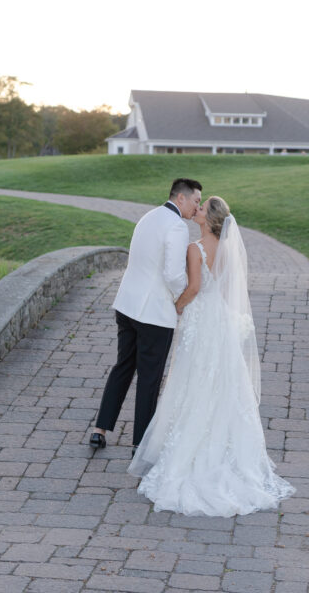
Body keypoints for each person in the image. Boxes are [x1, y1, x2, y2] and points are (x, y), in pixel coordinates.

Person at [128, 196, 295, 517]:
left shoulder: (196, 249)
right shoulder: (228, 250)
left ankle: (191, 451)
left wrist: (176, 307)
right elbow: (225, 287)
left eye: (202, 209)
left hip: (199, 317)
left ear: (210, 219)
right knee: (221, 381)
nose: (197, 210)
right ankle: (226, 448)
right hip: (219, 319)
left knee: (192, 379)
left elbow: (193, 288)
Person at [89, 178, 202, 452]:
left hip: (127, 304)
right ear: (181, 198)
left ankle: (99, 429)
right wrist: (180, 301)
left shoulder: (148, 216)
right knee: (150, 378)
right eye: (196, 201)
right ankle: (140, 442)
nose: (197, 207)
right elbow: (174, 274)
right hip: (154, 312)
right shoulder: (176, 226)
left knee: (123, 366)